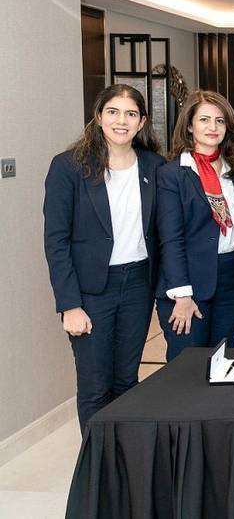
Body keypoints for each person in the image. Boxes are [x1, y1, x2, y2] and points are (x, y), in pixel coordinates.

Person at [43, 84, 164, 432]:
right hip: (91, 292)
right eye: (113, 112)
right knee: (96, 386)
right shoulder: (68, 167)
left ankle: (123, 462)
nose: (121, 121)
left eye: (130, 114)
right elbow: (56, 242)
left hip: (138, 284)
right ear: (98, 117)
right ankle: (95, 476)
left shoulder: (154, 166)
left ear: (141, 122)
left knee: (127, 380)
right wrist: (69, 305)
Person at [155, 91, 234, 362]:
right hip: (188, 283)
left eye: (220, 121)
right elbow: (170, 239)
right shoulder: (172, 174)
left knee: (222, 362)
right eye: (204, 120)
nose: (213, 127)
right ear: (189, 125)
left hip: (232, 280)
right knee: (187, 368)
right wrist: (182, 295)